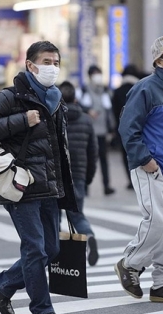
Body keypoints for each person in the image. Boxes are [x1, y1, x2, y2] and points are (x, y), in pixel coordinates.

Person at [0, 41, 77, 314]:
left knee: (51, 249)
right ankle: (42, 311)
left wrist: (67, 189)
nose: (52, 67)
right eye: (46, 61)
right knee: (35, 249)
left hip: (48, 185)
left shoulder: (56, 99)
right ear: (30, 65)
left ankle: (3, 283)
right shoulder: (10, 97)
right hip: (19, 185)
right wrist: (22, 119)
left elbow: (58, 148)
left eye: (56, 62)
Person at [115, 34, 163, 303]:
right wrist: (145, 160)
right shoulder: (145, 89)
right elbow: (128, 129)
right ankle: (130, 263)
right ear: (159, 61)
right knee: (160, 223)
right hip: (152, 167)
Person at [59, 80, 100, 266]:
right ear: (76, 98)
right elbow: (93, 152)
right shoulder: (85, 119)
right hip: (78, 176)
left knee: (53, 216)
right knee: (77, 215)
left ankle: (54, 254)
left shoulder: (55, 118)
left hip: (57, 178)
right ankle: (89, 235)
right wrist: (88, 177)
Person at [80, 65, 116, 195]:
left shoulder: (105, 90)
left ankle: (107, 185)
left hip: (102, 130)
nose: (98, 76)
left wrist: (112, 128)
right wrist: (88, 111)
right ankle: (85, 187)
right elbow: (79, 106)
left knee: (104, 160)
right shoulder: (84, 90)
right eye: (95, 74)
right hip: (90, 130)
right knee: (89, 160)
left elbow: (109, 111)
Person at [111, 64, 142, 190]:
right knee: (140, 152)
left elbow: (114, 111)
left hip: (122, 128)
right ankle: (140, 178)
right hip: (140, 128)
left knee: (125, 155)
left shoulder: (118, 91)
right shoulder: (141, 88)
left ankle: (131, 179)